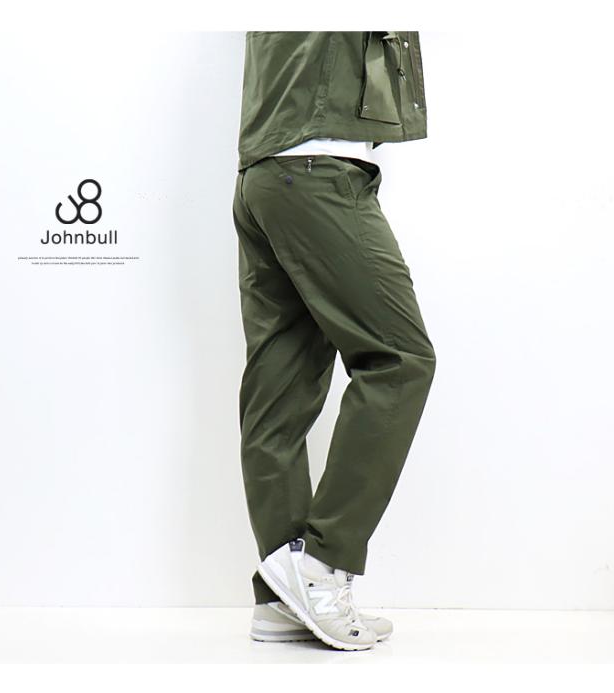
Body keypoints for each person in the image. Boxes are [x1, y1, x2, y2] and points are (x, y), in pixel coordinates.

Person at [232, 31, 436, 651]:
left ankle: (282, 600)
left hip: (265, 172)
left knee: (279, 392)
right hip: (318, 173)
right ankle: (320, 566)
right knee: (399, 360)